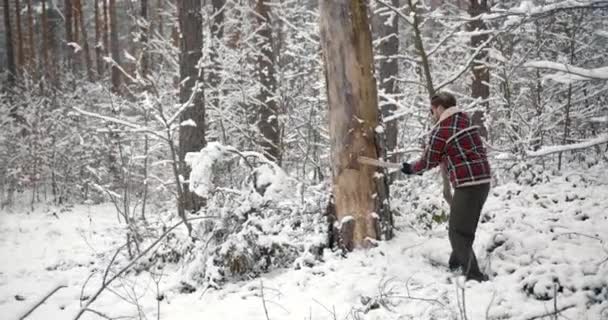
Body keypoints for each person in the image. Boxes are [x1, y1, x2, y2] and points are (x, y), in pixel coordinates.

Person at [401, 92, 492, 282]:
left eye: (432, 110)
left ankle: (474, 276)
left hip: (468, 185)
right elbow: (455, 151)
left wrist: (411, 169)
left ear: (440, 108)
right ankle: (456, 263)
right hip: (483, 181)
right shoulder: (465, 120)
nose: (432, 114)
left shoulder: (441, 129)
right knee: (465, 227)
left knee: (457, 231)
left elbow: (428, 161)